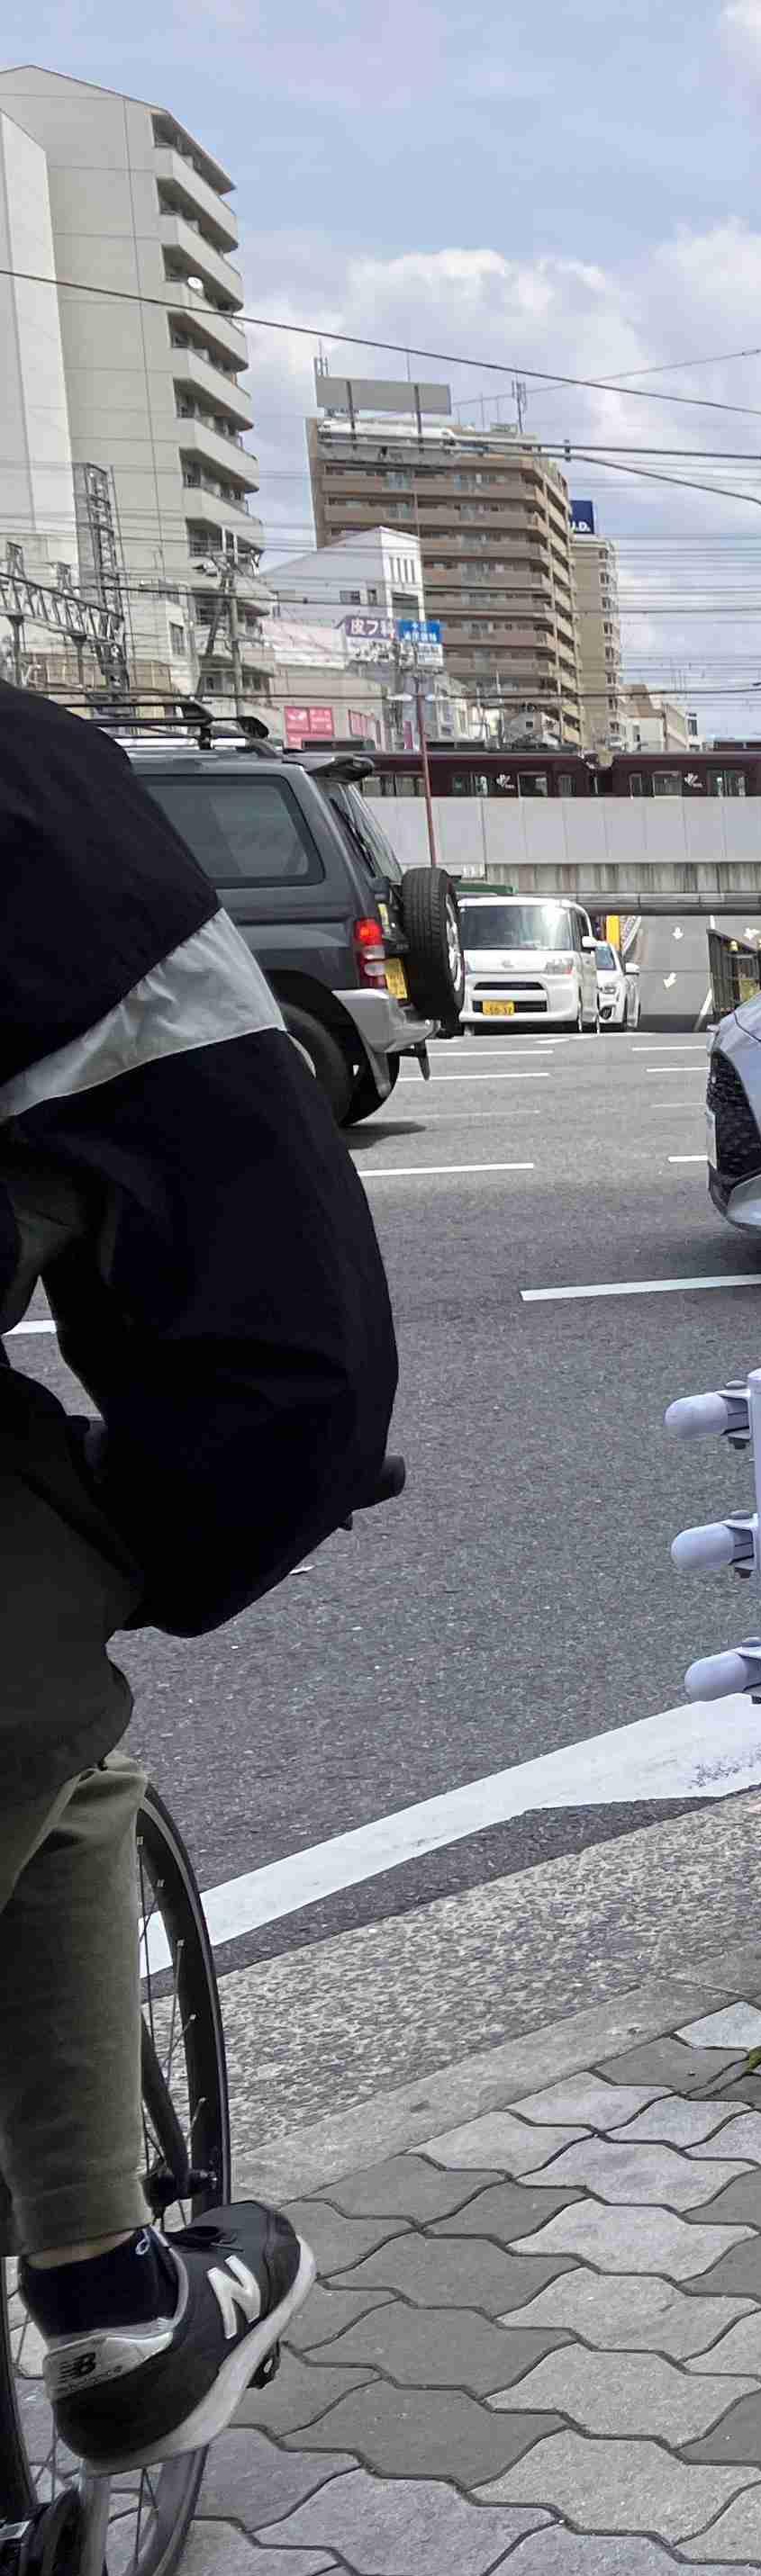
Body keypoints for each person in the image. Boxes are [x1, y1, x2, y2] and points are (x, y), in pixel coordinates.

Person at [3, 680, 392, 2466]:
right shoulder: (31, 794)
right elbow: (263, 1265)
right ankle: (105, 2292)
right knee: (48, 1722)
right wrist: (192, 1515)